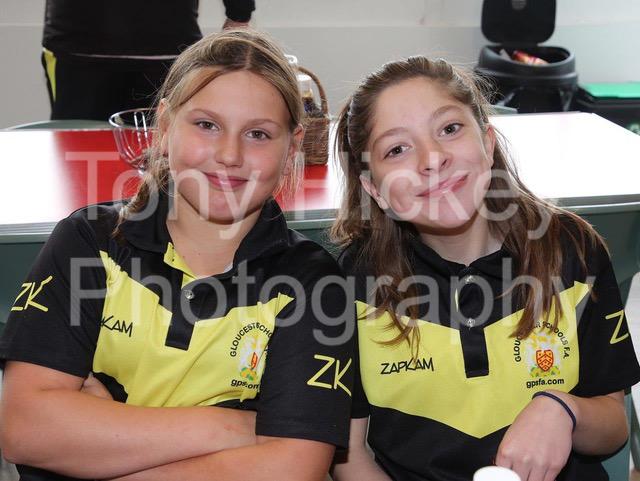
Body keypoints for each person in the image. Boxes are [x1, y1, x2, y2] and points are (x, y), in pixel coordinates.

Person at [1, 29, 354, 481]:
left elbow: (291, 469)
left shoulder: (312, 283)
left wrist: (92, 440)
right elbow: (24, 428)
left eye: (258, 134)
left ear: (292, 149)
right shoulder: (88, 242)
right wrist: (237, 428)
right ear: (165, 127)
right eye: (207, 125)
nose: (229, 154)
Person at [329, 56, 640, 481]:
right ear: (374, 188)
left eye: (449, 129)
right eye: (397, 149)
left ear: (488, 142)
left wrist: (564, 409)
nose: (432, 159)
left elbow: (613, 426)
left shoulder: (572, 250)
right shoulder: (353, 282)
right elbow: (350, 455)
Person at [42, 0, 255, 121]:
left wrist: (239, 14)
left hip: (83, 43)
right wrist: (239, 13)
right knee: (77, 152)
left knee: (165, 158)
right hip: (81, 46)